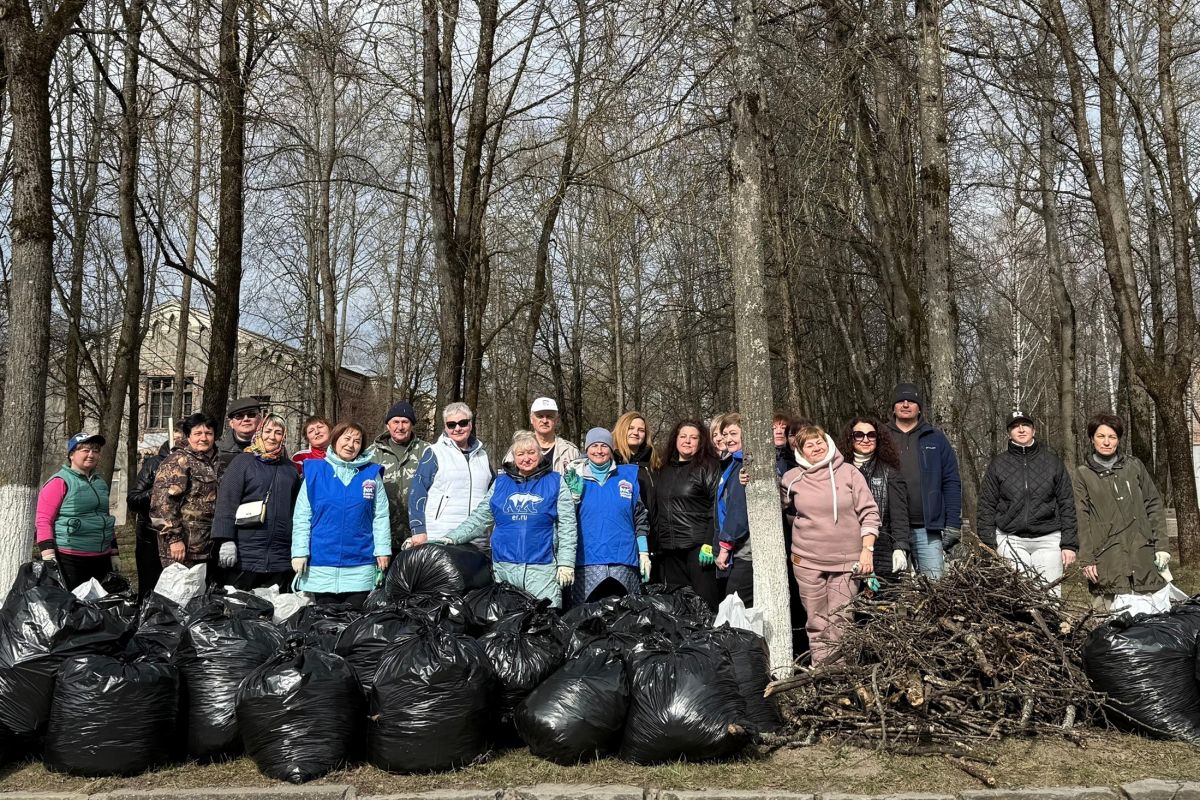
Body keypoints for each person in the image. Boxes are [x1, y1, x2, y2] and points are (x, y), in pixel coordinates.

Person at [442, 431, 577, 606]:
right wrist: (452, 537)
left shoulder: (555, 482)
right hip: (504, 568)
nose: (526, 458)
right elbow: (479, 519)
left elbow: (568, 526)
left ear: (540, 454)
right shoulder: (500, 483)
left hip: (542, 568)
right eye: (520, 454)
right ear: (513, 457)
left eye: (531, 453)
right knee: (507, 624)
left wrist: (566, 563)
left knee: (544, 622)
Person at [782, 425, 881, 665]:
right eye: (809, 444)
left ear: (829, 443)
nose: (816, 447)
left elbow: (869, 513)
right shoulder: (791, 478)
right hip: (806, 561)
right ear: (800, 451)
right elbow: (782, 511)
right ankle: (822, 674)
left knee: (841, 620)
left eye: (820, 442)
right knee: (816, 622)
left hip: (847, 561)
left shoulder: (849, 473)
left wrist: (867, 551)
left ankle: (841, 674)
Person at [1073, 412, 1170, 611]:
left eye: (1112, 437)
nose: (1106, 442)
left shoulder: (1134, 466)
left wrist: (1162, 546)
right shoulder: (1083, 474)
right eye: (1101, 436)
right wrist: (1087, 558)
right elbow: (1080, 517)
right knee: (1107, 625)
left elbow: (1153, 504)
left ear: (1118, 440)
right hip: (1107, 559)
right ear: (1092, 439)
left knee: (1150, 623)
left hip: (1142, 554)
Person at [291, 421, 391, 607]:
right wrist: (299, 552)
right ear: (335, 440)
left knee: (354, 624)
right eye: (346, 439)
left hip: (359, 564)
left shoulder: (371, 473)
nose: (350, 445)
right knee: (325, 624)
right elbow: (302, 516)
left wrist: (383, 550)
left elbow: (381, 515)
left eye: (357, 441)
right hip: (321, 562)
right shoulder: (315, 471)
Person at [977, 411, 1077, 594]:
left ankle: (1052, 623)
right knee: (1016, 596)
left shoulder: (1052, 462)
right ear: (1009, 433)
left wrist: (1069, 544)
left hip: (1048, 538)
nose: (1021, 429)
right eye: (1015, 426)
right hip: (1011, 539)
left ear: (1034, 430)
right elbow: (986, 505)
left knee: (1050, 595)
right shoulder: (998, 464)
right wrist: (988, 543)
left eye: (1026, 425)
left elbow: (1067, 503)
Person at [211, 414, 302, 592]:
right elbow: (227, 502)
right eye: (268, 431)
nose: (272, 437)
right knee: (240, 607)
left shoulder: (290, 469)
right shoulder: (243, 462)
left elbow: (297, 510)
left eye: (278, 432)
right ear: (259, 433)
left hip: (279, 555)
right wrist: (226, 540)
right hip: (246, 553)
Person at [565, 428, 651, 605]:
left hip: (624, 561)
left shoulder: (627, 476)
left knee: (626, 619)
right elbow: (565, 521)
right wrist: (572, 499)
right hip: (586, 563)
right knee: (587, 621)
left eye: (604, 446)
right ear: (586, 449)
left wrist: (643, 552)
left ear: (611, 449)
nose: (599, 450)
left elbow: (640, 517)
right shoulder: (574, 478)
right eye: (594, 445)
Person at [886, 383, 961, 578]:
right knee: (888, 592)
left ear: (919, 407)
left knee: (935, 589)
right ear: (893, 406)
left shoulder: (935, 439)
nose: (905, 404)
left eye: (911, 401)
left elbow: (951, 481)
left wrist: (953, 523)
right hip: (888, 529)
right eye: (900, 400)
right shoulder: (881, 437)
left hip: (928, 529)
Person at [651, 420, 723, 609]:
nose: (687, 441)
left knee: (705, 606)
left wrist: (709, 542)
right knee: (680, 607)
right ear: (675, 439)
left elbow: (716, 507)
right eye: (683, 436)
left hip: (698, 549)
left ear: (701, 442)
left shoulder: (709, 467)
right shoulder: (664, 469)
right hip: (669, 551)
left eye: (693, 438)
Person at [35, 432, 119, 590]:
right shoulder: (59, 482)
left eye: (95, 450)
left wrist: (114, 553)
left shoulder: (100, 483)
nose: (91, 454)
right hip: (71, 558)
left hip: (101, 557)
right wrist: (48, 556)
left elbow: (105, 519)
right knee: (74, 609)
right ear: (72, 455)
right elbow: (43, 520)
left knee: (98, 610)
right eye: (85, 450)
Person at [408, 402, 494, 548]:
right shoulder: (434, 453)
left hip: (477, 539)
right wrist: (418, 529)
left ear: (470, 425)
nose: (458, 428)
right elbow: (417, 492)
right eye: (451, 425)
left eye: (463, 423)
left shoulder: (483, 455)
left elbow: (494, 494)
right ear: (445, 428)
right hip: (442, 536)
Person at [838, 417, 911, 580]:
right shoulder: (838, 472)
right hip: (845, 551)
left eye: (871, 435)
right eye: (859, 435)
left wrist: (900, 547)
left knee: (883, 602)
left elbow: (899, 516)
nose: (865, 439)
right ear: (851, 438)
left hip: (882, 550)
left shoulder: (890, 473)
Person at [152, 413, 222, 568]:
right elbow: (162, 503)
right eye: (197, 433)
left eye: (208, 433)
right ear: (188, 436)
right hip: (183, 549)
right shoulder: (178, 461)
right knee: (181, 591)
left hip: (208, 547)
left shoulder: (218, 463)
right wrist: (174, 539)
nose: (203, 438)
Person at [128, 427, 181, 601]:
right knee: (150, 590)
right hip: (151, 537)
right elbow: (133, 499)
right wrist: (157, 491)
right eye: (178, 439)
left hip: (183, 538)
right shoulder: (154, 464)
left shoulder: (196, 466)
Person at [371, 401, 430, 552]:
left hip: (418, 536)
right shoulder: (371, 454)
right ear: (388, 425)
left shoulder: (427, 452)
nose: (400, 427)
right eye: (395, 422)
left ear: (412, 425)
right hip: (382, 537)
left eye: (405, 422)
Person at [715, 414, 754, 606]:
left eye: (733, 433)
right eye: (725, 434)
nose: (728, 439)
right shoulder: (732, 464)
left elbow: (738, 511)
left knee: (734, 606)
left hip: (745, 551)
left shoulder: (744, 465)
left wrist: (725, 547)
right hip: (738, 551)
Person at [503, 397, 579, 473]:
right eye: (540, 416)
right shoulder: (517, 450)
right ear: (531, 419)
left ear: (557, 420)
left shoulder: (570, 451)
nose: (544, 421)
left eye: (549, 416)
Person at [217, 397, 264, 470]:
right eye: (239, 416)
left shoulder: (272, 447)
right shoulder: (217, 450)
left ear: (259, 419)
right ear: (231, 423)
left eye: (251, 414)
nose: (246, 419)